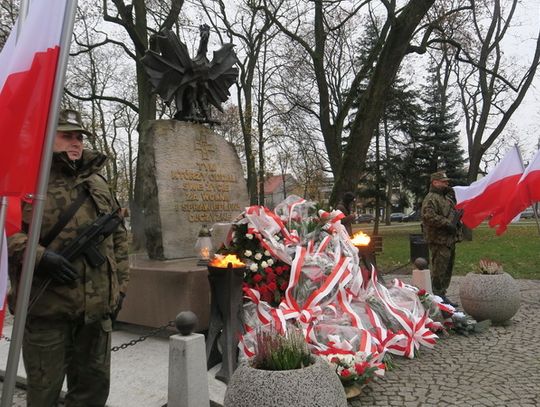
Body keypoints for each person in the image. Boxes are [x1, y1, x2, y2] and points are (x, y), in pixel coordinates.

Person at [7, 109, 129, 406]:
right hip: (47, 312)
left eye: (79, 137)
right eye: (66, 136)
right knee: (44, 394)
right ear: (47, 138)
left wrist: (120, 289)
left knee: (92, 392)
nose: (76, 143)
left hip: (96, 314)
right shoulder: (26, 180)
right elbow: (5, 230)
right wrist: (39, 256)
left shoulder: (98, 183)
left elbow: (119, 238)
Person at [421, 171, 462, 307]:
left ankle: (442, 294)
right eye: (444, 182)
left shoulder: (447, 198)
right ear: (435, 182)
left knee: (447, 269)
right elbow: (429, 216)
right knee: (439, 270)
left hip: (449, 239)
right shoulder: (431, 198)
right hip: (438, 240)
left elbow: (451, 213)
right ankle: (437, 296)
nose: (447, 183)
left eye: (447, 181)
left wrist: (457, 219)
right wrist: (447, 223)